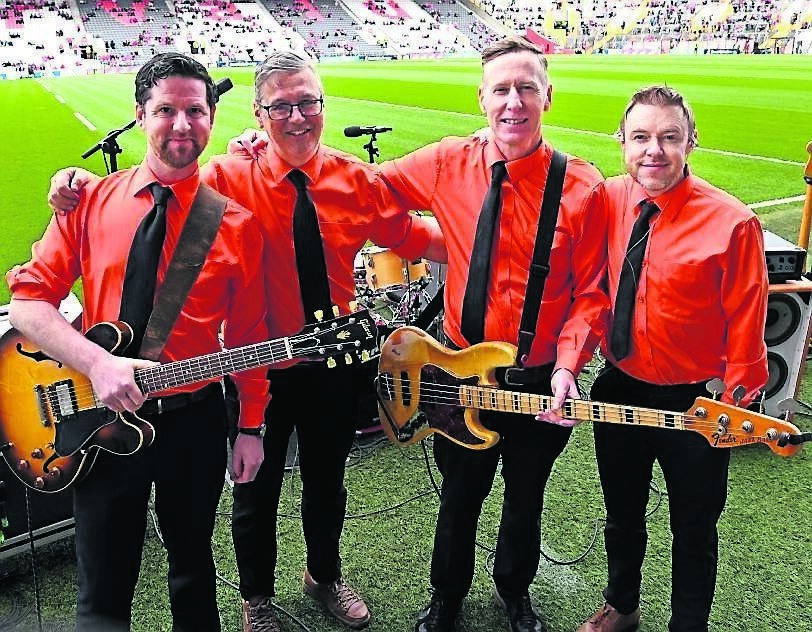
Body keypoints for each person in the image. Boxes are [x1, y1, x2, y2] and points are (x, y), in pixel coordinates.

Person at [48, 50, 444, 632]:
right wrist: (76, 187)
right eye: (280, 106)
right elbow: (163, 180)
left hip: (331, 358)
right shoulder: (228, 176)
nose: (297, 117)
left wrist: (487, 240)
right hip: (251, 363)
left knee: (328, 482)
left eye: (307, 102)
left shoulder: (356, 180)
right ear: (258, 114)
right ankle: (256, 597)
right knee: (251, 492)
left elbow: (411, 236)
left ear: (322, 105)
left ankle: (324, 575)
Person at [8, 53, 271, 631]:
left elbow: (251, 338)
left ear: (212, 116)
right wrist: (97, 364)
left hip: (194, 420)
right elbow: (28, 303)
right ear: (139, 115)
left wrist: (250, 427)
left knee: (193, 570)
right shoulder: (89, 201)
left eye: (195, 111)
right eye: (165, 110)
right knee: (102, 589)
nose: (182, 125)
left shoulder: (236, 225)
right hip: (95, 419)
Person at [379, 37, 608, 632]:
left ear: (548, 98)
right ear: (482, 98)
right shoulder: (445, 161)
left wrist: (566, 368)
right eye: (501, 89)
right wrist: (273, 149)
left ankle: (515, 591)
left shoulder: (583, 187)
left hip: (538, 382)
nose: (513, 102)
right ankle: (445, 598)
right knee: (458, 498)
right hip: (457, 373)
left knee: (526, 496)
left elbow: (591, 293)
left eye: (526, 88)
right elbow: (368, 193)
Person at [575, 86, 769, 632]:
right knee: (623, 514)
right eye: (640, 137)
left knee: (694, 527)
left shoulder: (732, 222)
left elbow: (747, 331)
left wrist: (731, 408)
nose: (653, 151)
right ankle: (623, 607)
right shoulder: (609, 198)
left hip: (697, 401)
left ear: (691, 142)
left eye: (668, 137)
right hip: (620, 388)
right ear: (622, 141)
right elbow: (593, 293)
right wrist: (571, 363)